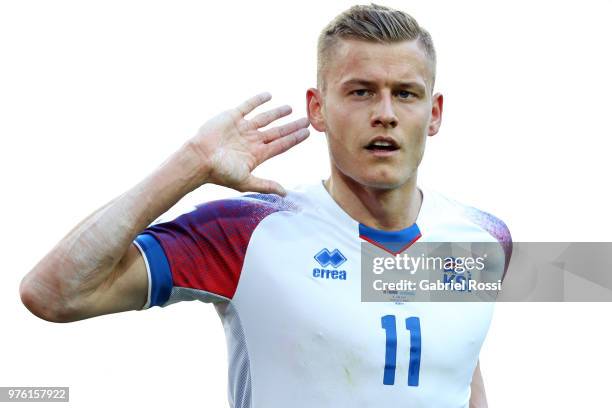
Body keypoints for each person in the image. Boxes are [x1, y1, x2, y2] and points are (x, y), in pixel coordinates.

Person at [20, 4, 510, 407]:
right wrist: (190, 164)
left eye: (405, 94)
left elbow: (457, 371)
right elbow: (54, 293)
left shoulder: (483, 240)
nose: (384, 114)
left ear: (434, 113)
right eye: (360, 92)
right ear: (317, 108)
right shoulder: (250, 233)